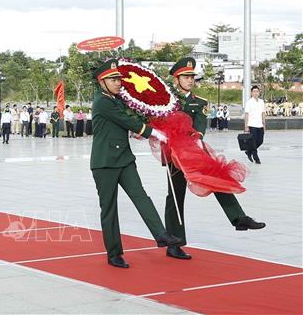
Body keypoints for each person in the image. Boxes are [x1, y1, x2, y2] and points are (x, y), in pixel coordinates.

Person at [163, 58, 266, 261]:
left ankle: (238, 218)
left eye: (192, 77)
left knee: (217, 177)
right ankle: (175, 243)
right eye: (186, 77)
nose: (190, 80)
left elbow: (200, 123)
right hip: (174, 154)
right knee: (175, 197)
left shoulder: (199, 101)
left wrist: (197, 139)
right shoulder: (165, 101)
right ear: (176, 79)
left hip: (195, 150)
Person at [90, 59, 180, 268]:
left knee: (141, 196)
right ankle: (114, 254)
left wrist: (135, 131)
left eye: (118, 79)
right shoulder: (102, 101)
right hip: (104, 163)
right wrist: (151, 131)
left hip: (124, 160)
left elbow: (122, 123)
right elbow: (126, 120)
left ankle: (161, 234)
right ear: (101, 82)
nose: (118, 82)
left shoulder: (115, 100)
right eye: (113, 79)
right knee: (109, 208)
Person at [244, 85, 266, 164]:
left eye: (257, 91)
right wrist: (246, 126)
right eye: (254, 91)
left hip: (260, 125)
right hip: (252, 125)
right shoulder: (249, 102)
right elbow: (247, 115)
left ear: (259, 92)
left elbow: (263, 113)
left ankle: (249, 151)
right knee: (253, 141)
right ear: (251, 93)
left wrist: (264, 124)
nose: (256, 93)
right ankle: (256, 157)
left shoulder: (261, 102)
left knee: (260, 141)